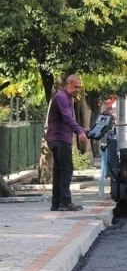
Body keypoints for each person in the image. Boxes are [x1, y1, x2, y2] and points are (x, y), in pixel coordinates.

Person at [46, 74, 89, 212]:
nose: (77, 89)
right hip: (60, 139)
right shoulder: (62, 97)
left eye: (79, 87)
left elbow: (65, 120)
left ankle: (56, 203)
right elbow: (66, 117)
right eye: (75, 86)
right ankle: (65, 202)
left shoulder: (66, 98)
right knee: (66, 170)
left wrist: (80, 129)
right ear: (67, 84)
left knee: (59, 171)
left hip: (57, 138)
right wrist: (79, 131)